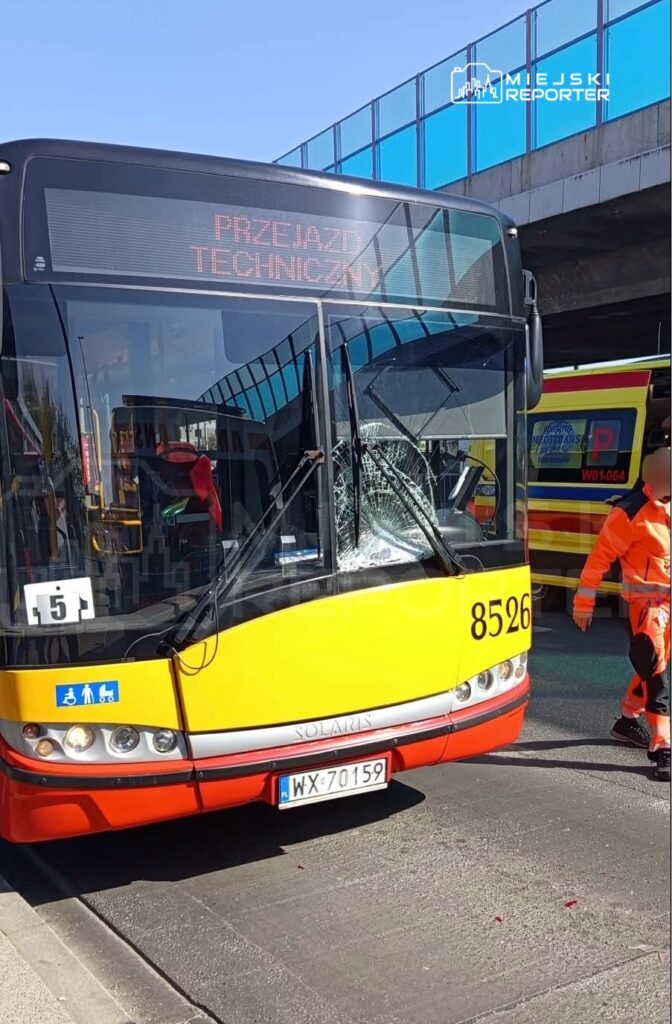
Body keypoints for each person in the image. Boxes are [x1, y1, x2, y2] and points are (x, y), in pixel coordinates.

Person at [573, 447, 670, 781]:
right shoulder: (628, 513)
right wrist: (584, 603)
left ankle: (627, 722)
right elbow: (600, 559)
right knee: (656, 674)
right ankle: (662, 748)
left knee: (655, 669)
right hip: (646, 608)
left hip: (668, 606)